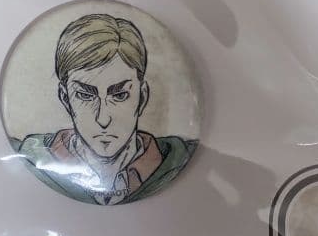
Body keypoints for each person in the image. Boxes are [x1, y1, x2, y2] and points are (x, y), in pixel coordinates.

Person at [13, 13, 196, 205]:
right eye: (85, 95)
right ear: (65, 98)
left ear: (142, 97)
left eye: (120, 95)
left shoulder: (176, 159)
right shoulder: (31, 157)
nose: (103, 118)